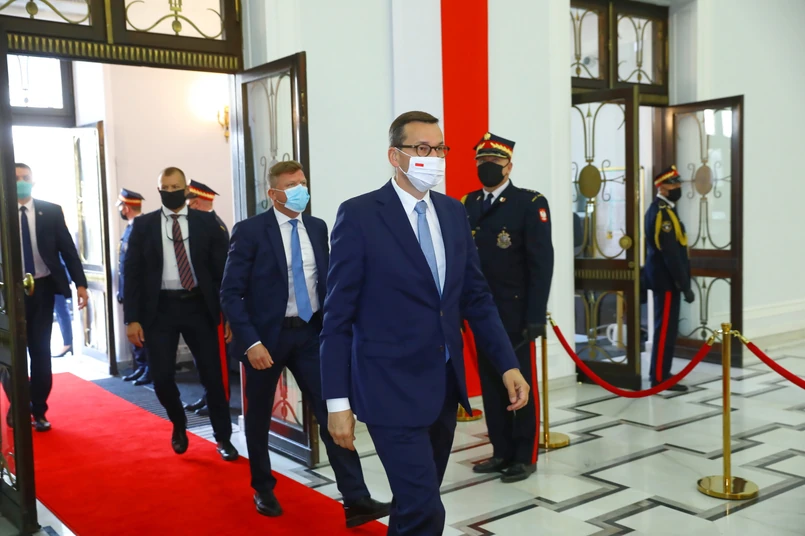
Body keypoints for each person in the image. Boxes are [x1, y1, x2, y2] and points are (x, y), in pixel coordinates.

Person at [320, 111, 531, 536]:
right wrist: (337, 404)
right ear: (394, 156)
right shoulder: (360, 215)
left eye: (439, 149)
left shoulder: (453, 213)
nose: (432, 157)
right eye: (421, 148)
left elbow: (476, 297)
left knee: (413, 504)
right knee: (426, 511)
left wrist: (508, 364)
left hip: (442, 388)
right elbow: (337, 317)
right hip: (388, 388)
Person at [220, 160, 389, 524]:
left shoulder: (317, 227)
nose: (301, 190)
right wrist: (251, 342)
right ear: (273, 193)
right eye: (291, 185)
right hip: (266, 340)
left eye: (303, 183)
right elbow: (230, 293)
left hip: (312, 334)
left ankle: (356, 498)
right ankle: (263, 487)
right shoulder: (250, 231)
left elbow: (326, 282)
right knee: (259, 415)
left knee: (332, 411)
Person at [123, 167, 237, 460]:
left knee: (213, 376)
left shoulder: (206, 223)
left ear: (186, 189)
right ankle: (178, 422)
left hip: (200, 306)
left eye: (176, 186)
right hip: (160, 309)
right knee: (161, 377)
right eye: (165, 187)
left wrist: (229, 314)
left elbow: (223, 272)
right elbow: (131, 273)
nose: (170, 191)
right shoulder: (144, 225)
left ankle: (223, 437)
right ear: (158, 189)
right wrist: (132, 318)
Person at [461, 132, 554, 483]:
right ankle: (500, 451)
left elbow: (541, 264)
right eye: (482, 161)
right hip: (480, 313)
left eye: (495, 162)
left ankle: (524, 456)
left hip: (516, 314)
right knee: (491, 383)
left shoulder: (529, 203)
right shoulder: (468, 203)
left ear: (509, 166)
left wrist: (535, 316)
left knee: (521, 384)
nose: (488, 166)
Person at [15, 163, 88, 432]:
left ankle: (39, 409)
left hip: (42, 289)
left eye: (25, 177)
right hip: (8, 293)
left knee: (40, 351)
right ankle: (18, 405)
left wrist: (80, 284)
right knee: (10, 354)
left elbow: (68, 250)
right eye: (15, 178)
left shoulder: (51, 211)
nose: (21, 182)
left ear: (33, 181)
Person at [644, 165, 694, 393]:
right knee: (664, 329)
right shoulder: (661, 213)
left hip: (668, 280)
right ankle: (659, 377)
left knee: (668, 329)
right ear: (662, 187)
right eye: (674, 184)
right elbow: (671, 254)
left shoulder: (667, 210)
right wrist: (684, 284)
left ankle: (662, 372)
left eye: (678, 183)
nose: (678, 187)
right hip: (666, 281)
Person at [183, 180, 229, 416]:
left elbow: (221, 272)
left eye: (189, 203)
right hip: (198, 302)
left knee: (216, 356)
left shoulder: (215, 227)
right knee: (202, 356)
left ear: (197, 203)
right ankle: (208, 395)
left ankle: (219, 399)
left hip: (214, 302)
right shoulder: (199, 227)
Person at [117, 189, 151, 385]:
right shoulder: (131, 227)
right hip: (130, 290)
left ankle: (149, 369)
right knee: (135, 332)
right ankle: (141, 366)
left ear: (126, 207)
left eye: (121, 206)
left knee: (144, 333)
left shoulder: (142, 227)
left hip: (141, 292)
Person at [52, 257, 73, 358]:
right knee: (61, 310)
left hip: (57, 279)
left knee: (61, 310)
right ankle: (68, 343)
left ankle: (68, 343)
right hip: (55, 278)